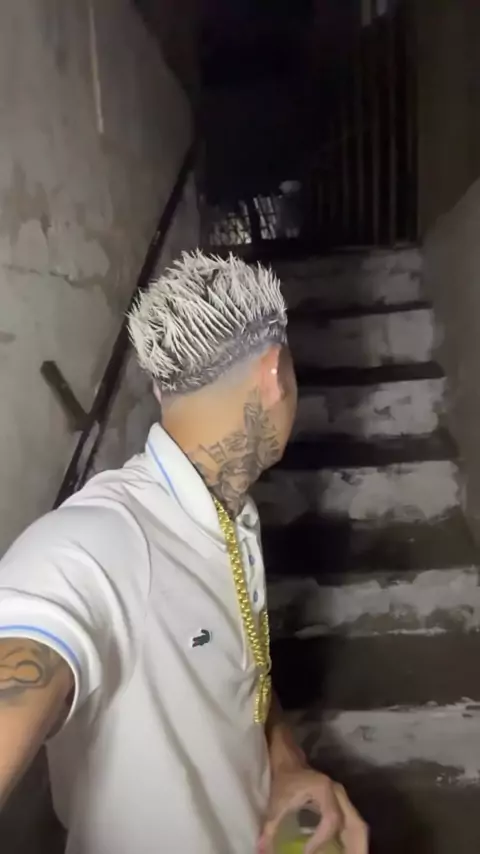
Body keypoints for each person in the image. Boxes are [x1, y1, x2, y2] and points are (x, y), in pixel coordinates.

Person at [0, 252, 368, 854]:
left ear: (158, 387)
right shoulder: (102, 540)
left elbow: (238, 677)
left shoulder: (230, 511)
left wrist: (285, 764)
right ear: (275, 374)